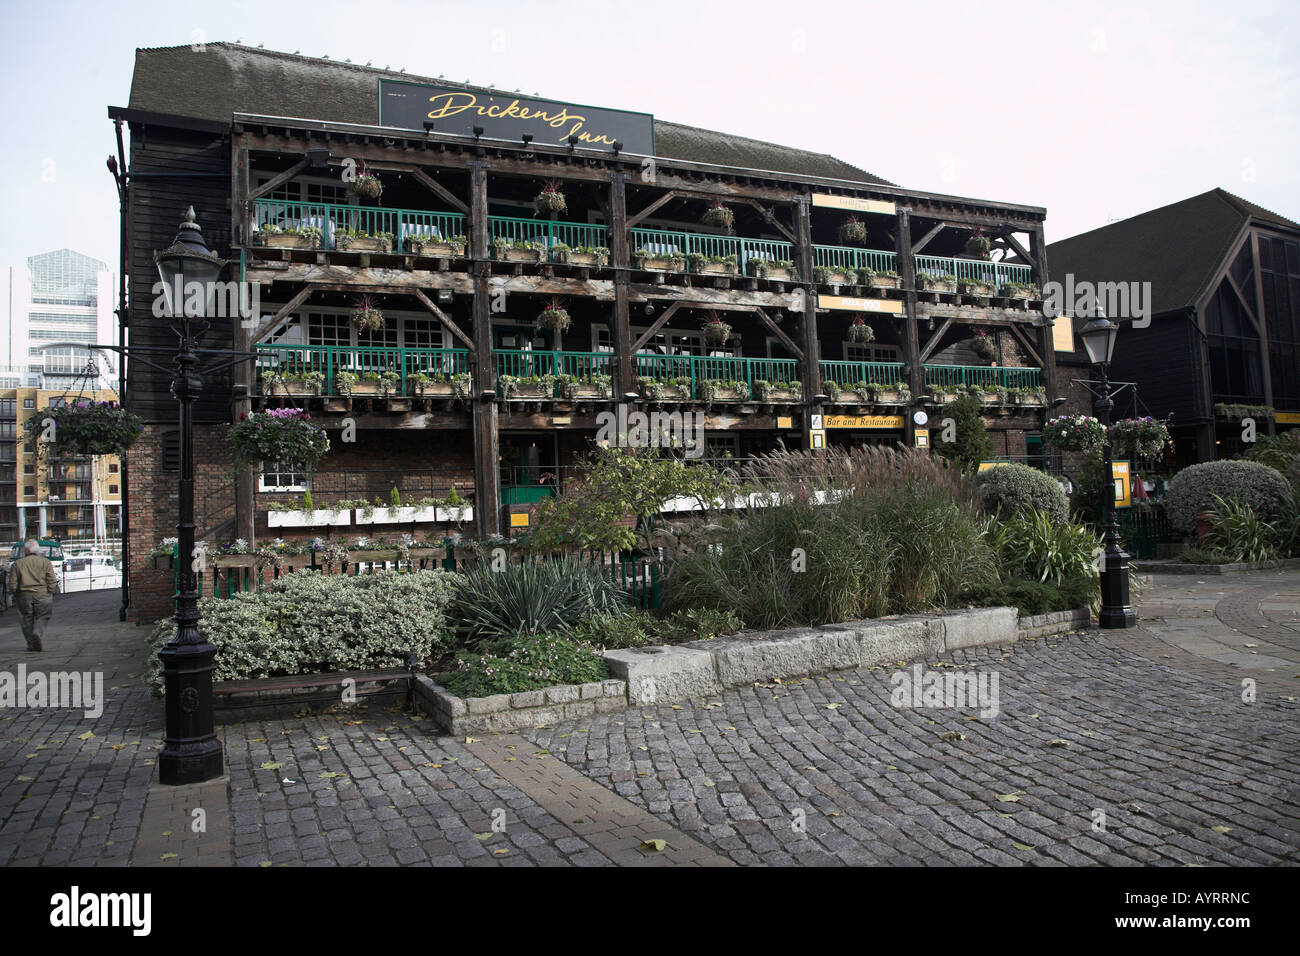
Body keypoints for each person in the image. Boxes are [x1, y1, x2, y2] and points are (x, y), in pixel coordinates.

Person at [9, 539, 57, 651]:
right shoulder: (45, 562)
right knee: (43, 616)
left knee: (26, 619)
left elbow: (12, 583)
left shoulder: (18, 564)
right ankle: (37, 632)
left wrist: (14, 593)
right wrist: (49, 590)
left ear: (26, 550)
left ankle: (31, 643)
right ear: (37, 550)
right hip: (42, 593)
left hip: (24, 595)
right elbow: (51, 579)